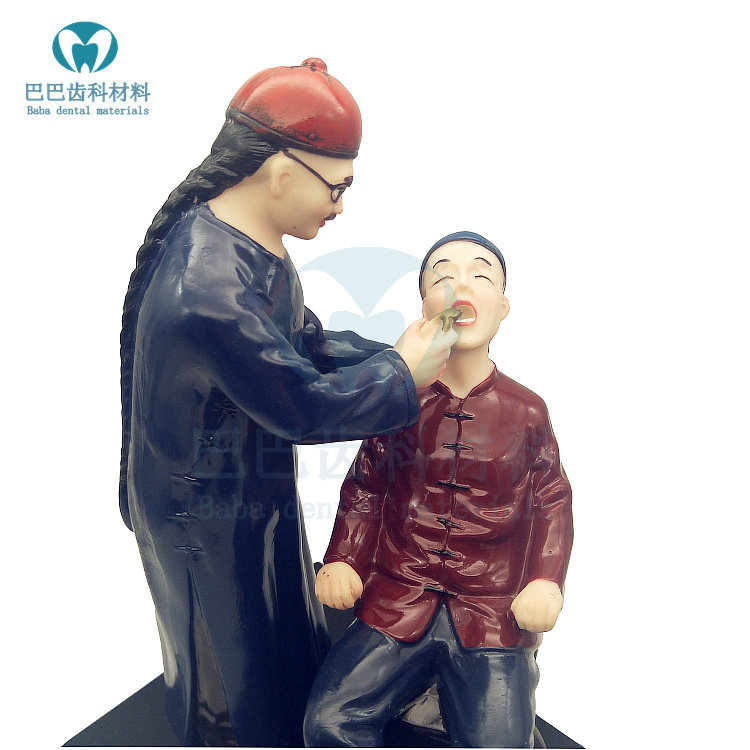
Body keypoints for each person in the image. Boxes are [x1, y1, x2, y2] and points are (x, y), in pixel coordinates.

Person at [119, 59, 456, 747]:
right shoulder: (206, 291)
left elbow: (300, 344)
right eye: (337, 188)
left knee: (279, 615)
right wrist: (400, 374)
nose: (340, 206)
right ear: (280, 175)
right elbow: (302, 405)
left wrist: (394, 354)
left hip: (247, 480)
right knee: (229, 649)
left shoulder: (249, 244)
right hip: (202, 509)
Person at [305, 231, 574, 748]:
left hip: (491, 616)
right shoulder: (400, 399)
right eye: (443, 277)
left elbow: (551, 500)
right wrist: (343, 559)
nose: (461, 287)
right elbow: (367, 486)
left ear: (503, 307)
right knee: (330, 723)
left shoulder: (527, 412)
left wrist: (545, 580)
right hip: (398, 601)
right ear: (425, 308)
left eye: (480, 276)